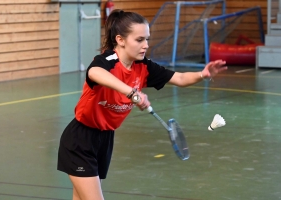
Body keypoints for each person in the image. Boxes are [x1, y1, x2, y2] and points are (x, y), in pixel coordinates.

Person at [57, 9, 227, 200]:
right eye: (139, 40)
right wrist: (131, 93)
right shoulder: (107, 61)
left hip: (105, 139)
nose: (145, 45)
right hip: (81, 140)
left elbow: (178, 77)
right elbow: (94, 73)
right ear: (120, 40)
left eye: (147, 39)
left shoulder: (143, 67)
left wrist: (203, 74)